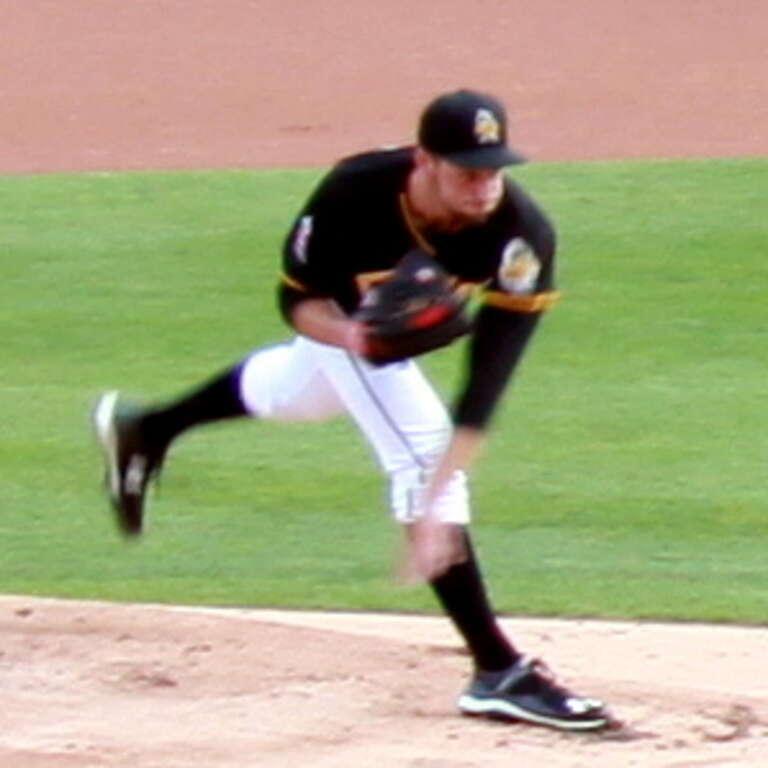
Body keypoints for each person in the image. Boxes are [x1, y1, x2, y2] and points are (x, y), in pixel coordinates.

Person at [92, 89, 612, 731]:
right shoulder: (355, 193)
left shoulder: (521, 236)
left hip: (367, 333)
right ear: (424, 161)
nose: (484, 188)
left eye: (494, 170)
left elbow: (487, 381)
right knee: (416, 444)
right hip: (346, 318)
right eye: (467, 172)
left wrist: (438, 499)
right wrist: (358, 340)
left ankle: (145, 430)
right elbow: (297, 303)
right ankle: (496, 670)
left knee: (298, 395)